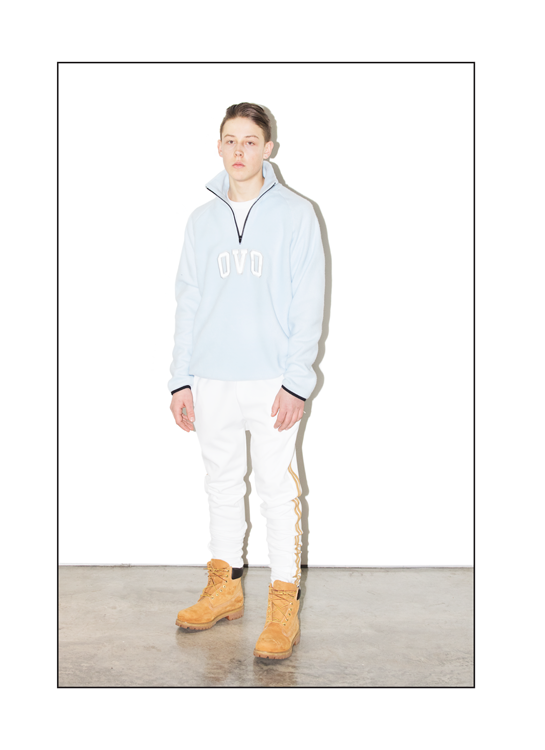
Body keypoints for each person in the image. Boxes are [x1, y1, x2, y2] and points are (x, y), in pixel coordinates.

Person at [168, 102, 325, 660]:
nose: (239, 151)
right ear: (219, 147)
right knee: (221, 483)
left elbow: (308, 302)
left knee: (278, 490)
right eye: (230, 140)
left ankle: (283, 605)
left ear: (268, 148)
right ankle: (224, 588)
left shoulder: (297, 215)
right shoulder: (200, 221)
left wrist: (297, 381)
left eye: (250, 141)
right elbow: (188, 302)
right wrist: (180, 380)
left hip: (272, 380)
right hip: (211, 377)